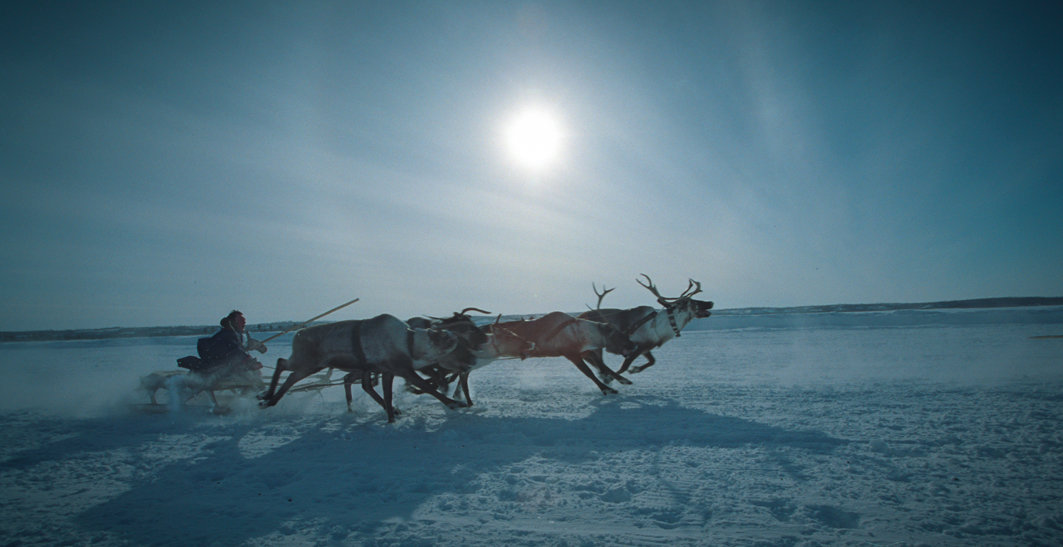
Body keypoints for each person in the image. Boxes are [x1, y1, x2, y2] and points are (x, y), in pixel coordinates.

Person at [197, 310, 264, 372]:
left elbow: (239, 348)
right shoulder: (228, 334)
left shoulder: (234, 334)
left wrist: (256, 345)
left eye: (244, 321)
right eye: (241, 320)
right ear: (233, 322)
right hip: (221, 369)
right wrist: (249, 361)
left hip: (226, 366)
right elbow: (235, 351)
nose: (244, 323)